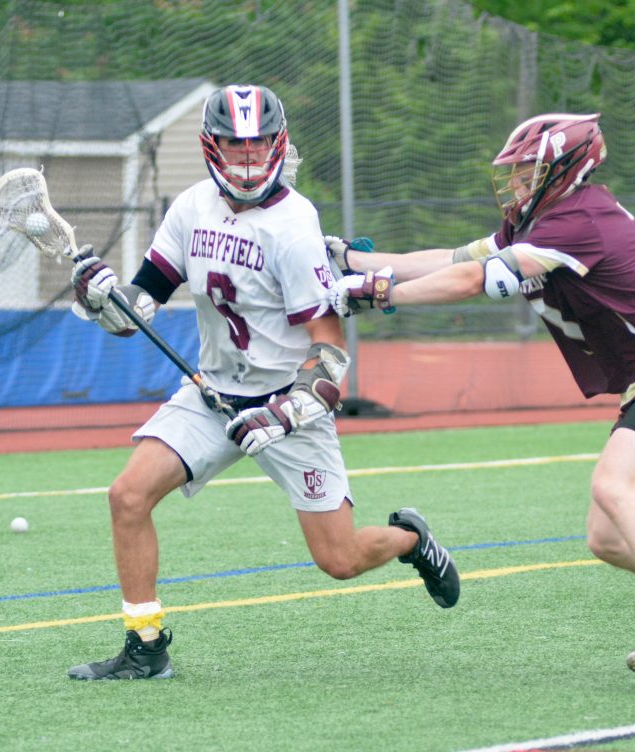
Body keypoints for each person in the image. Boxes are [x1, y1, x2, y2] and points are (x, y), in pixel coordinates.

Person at [328, 113, 635, 675]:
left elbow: (473, 280)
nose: (515, 184)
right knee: (608, 538)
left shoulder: (578, 220)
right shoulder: (539, 223)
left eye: (526, 173)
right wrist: (352, 260)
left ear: (564, 171)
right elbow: (451, 259)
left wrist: (376, 293)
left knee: (614, 486)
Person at [64, 84, 459, 681]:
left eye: (258, 144)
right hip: (213, 392)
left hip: (289, 403)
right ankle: (145, 646)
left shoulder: (294, 226)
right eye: (234, 144)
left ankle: (411, 540)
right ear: (211, 145)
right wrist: (103, 300)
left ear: (278, 144)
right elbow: (137, 310)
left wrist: (283, 414)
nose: (247, 158)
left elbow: (331, 354)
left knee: (340, 559)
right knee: (128, 496)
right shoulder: (192, 207)